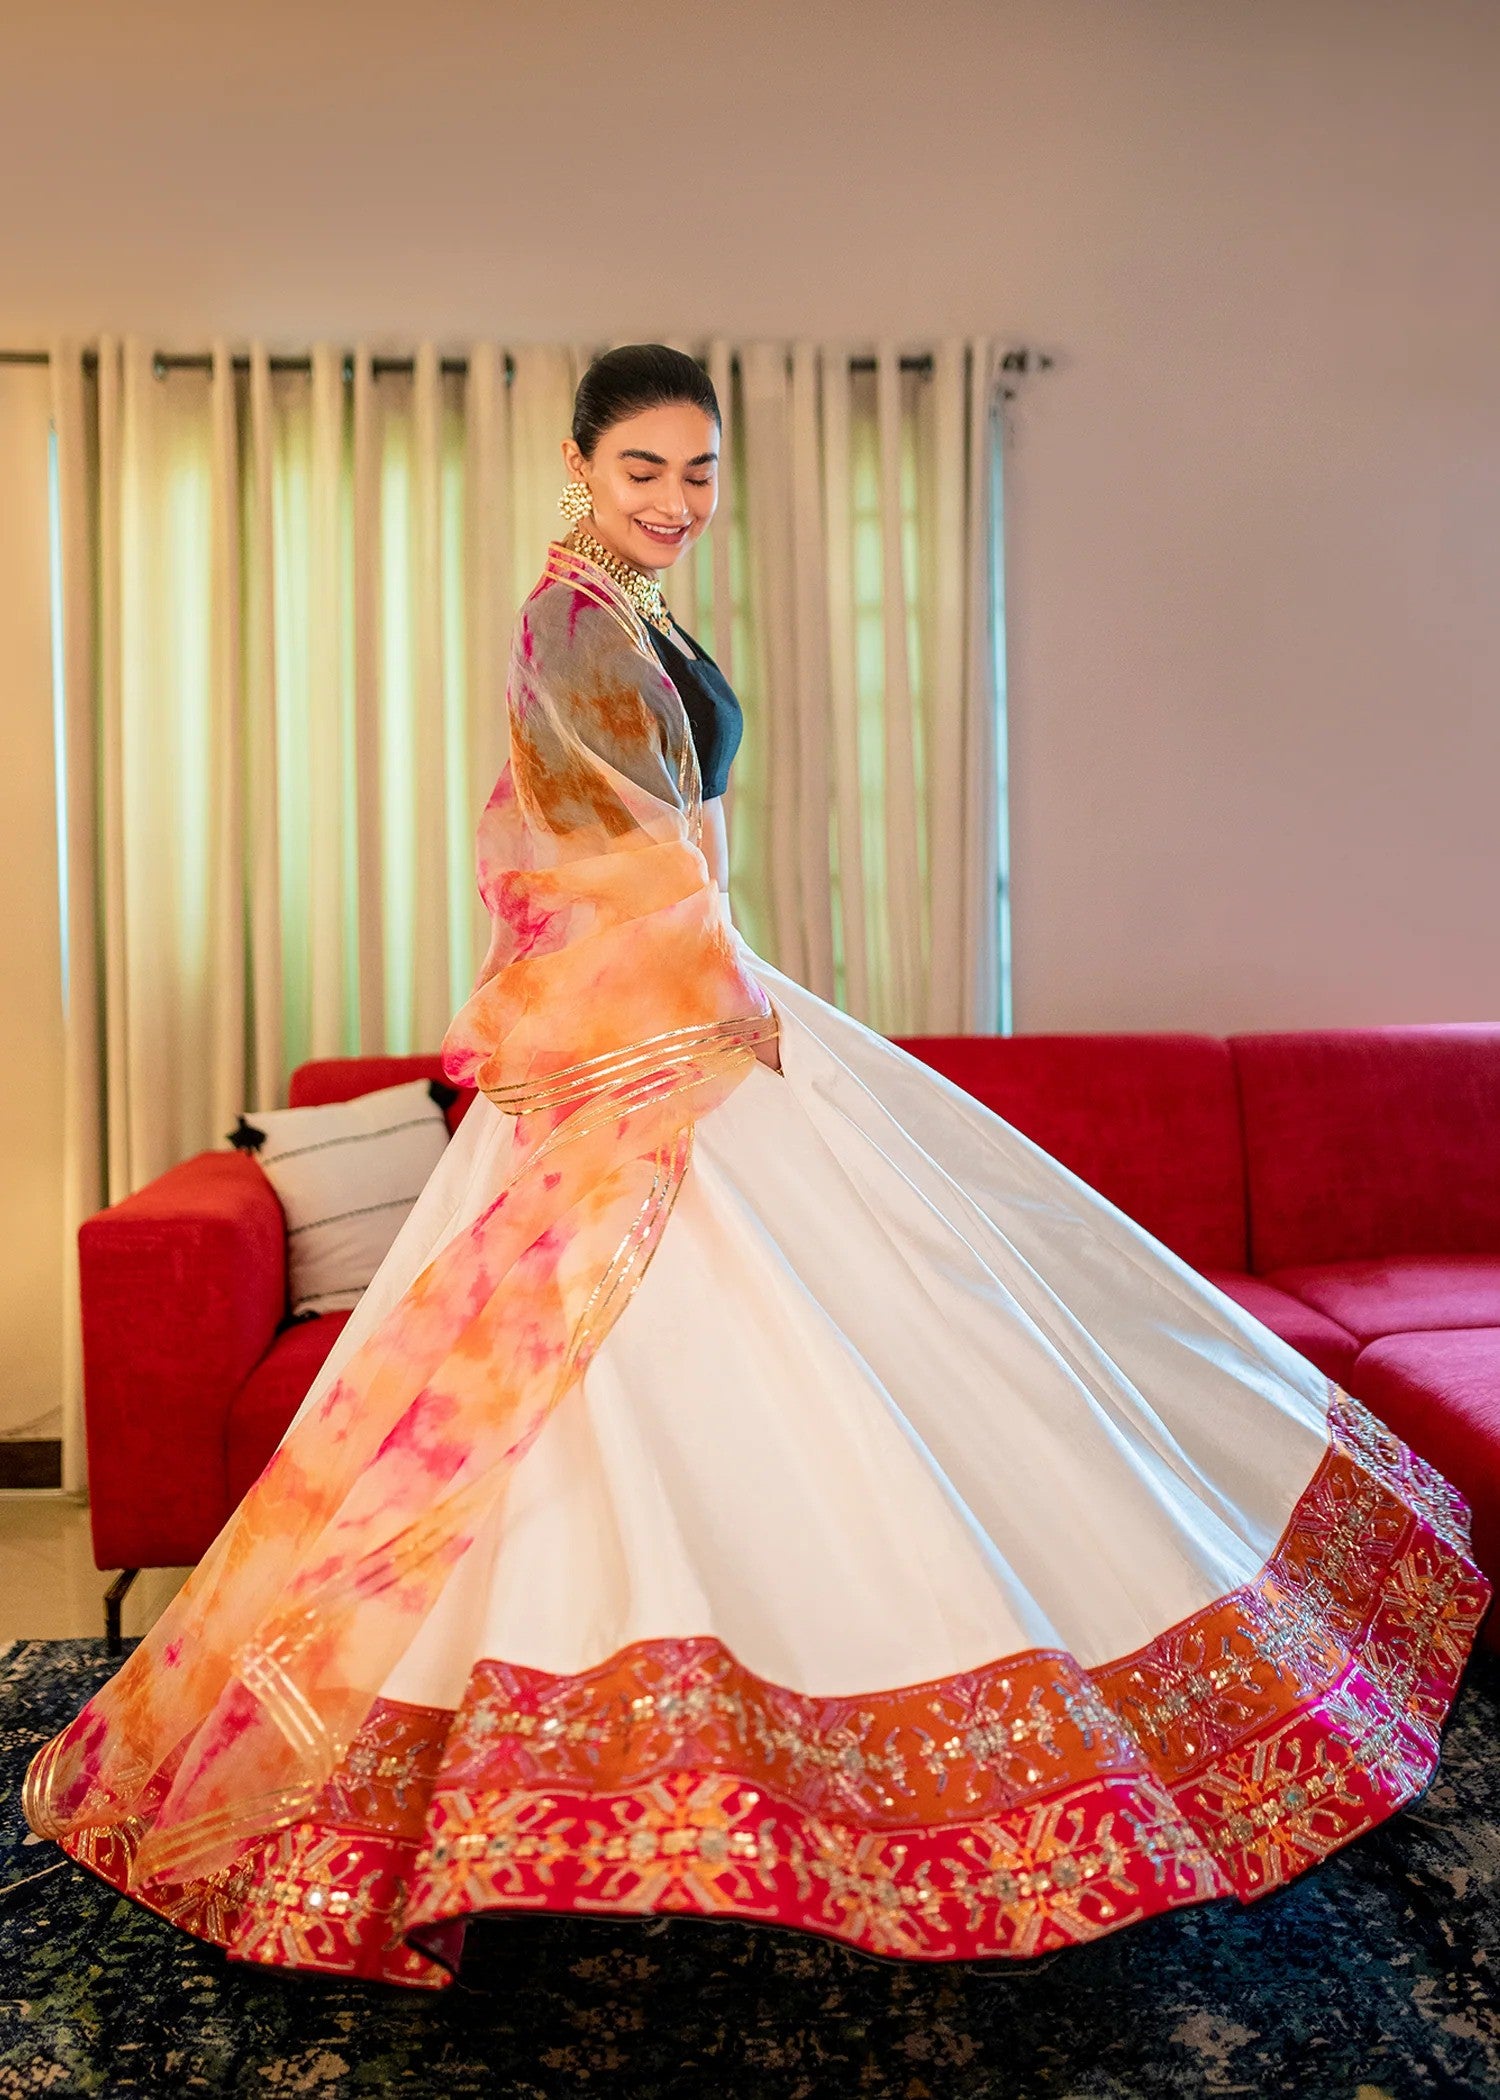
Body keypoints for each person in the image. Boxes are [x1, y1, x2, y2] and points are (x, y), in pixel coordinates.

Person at [25, 344, 1491, 1991]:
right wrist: (709, 1017)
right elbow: (603, 869)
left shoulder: (632, 613)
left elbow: (665, 848)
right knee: (636, 1400)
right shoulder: (569, 623)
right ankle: (579, 1783)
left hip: (702, 1006)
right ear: (581, 462)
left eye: (699, 473)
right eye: (644, 468)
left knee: (898, 1340)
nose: (675, 499)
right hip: (648, 1045)